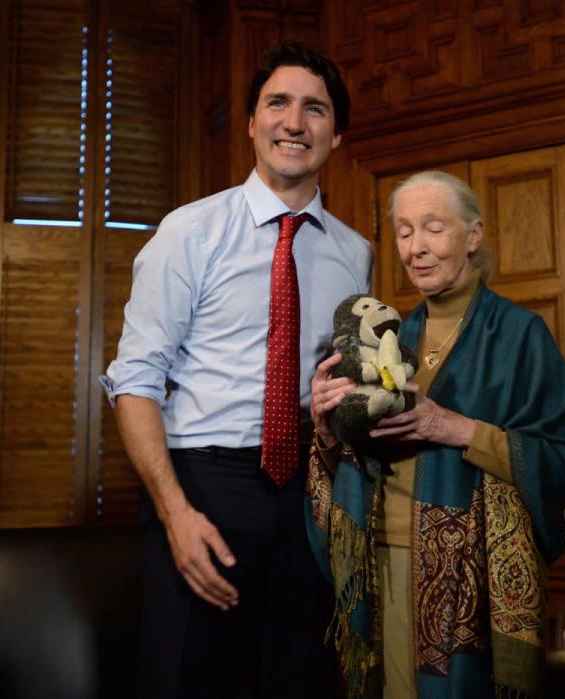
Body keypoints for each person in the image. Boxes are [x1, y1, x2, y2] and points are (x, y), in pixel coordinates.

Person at [101, 40, 372, 699]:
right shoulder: (188, 233)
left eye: (314, 109)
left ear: (334, 134)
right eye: (276, 103)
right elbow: (135, 382)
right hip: (202, 489)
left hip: (309, 494)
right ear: (252, 123)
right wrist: (175, 513)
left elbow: (345, 382)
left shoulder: (353, 252)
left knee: (301, 681)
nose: (293, 121)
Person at [307, 170, 565, 698]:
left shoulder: (519, 334)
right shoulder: (390, 336)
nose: (416, 248)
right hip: (383, 560)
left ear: (473, 236)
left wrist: (457, 428)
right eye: (405, 231)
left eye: (433, 228)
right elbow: (355, 458)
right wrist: (326, 429)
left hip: (473, 582)